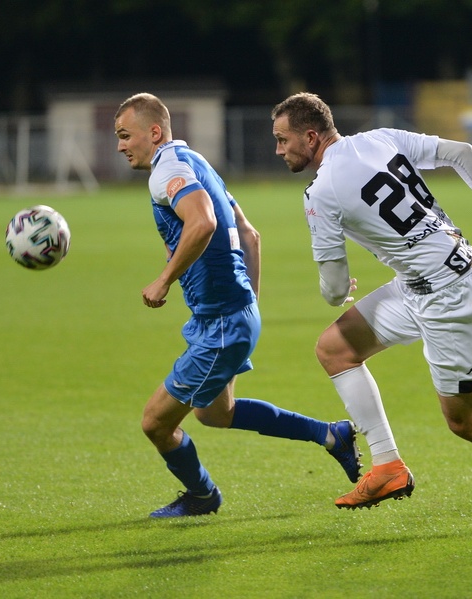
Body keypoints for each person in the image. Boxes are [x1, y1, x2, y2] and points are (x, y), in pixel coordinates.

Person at [271, 92, 472, 530]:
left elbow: (334, 286)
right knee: (335, 349)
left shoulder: (321, 192)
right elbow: (462, 152)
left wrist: (337, 292)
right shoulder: (379, 139)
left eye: (284, 140)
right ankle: (387, 467)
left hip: (450, 297)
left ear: (310, 136)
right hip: (431, 280)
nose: (279, 149)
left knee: (469, 422)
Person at [114, 92, 362, 518]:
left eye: (125, 135)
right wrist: (250, 306)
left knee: (156, 423)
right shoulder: (197, 163)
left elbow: (203, 222)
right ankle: (331, 435)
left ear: (154, 133)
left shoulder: (166, 172)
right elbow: (250, 235)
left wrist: (163, 279)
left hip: (223, 323)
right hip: (232, 317)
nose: (120, 145)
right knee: (215, 414)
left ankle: (203, 496)